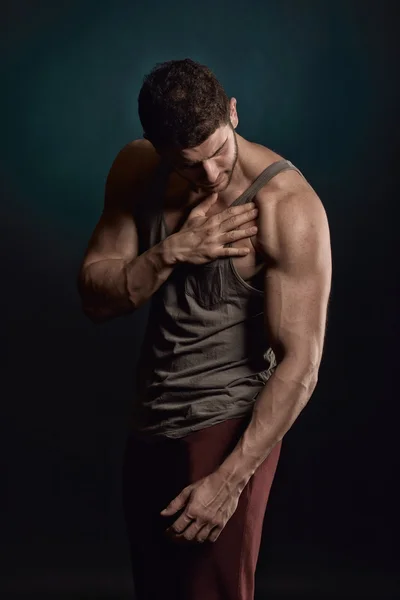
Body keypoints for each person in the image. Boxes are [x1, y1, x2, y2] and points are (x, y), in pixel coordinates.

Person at [77, 58, 332, 600]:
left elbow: (301, 365)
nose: (211, 176)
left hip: (226, 428)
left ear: (233, 113)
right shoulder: (137, 169)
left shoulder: (287, 206)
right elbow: (95, 298)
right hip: (150, 422)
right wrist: (172, 252)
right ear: (155, 147)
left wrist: (230, 480)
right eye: (190, 166)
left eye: (218, 152)